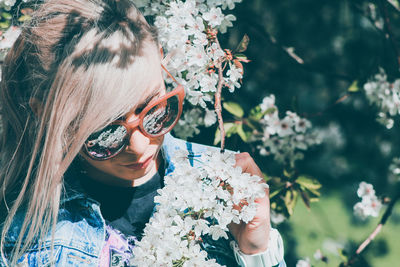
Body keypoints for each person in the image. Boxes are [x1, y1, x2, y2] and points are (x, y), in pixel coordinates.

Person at [0, 0, 285, 266]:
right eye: (105, 133)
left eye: (155, 111)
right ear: (46, 115)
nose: (139, 146)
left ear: (161, 63)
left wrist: (257, 250)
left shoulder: (224, 192)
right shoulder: (19, 227)